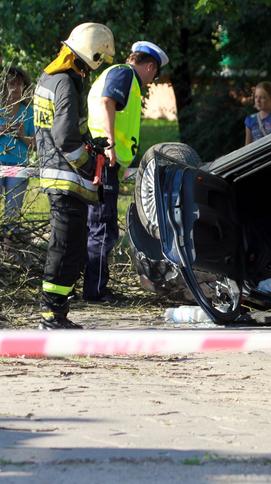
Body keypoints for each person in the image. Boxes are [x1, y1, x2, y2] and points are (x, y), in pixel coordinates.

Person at [33, 23, 115, 329]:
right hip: (65, 178)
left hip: (55, 173)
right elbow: (65, 137)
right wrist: (87, 161)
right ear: (88, 56)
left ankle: (56, 313)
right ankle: (50, 314)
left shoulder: (49, 77)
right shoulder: (65, 83)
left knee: (71, 247)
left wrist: (88, 141)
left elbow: (61, 128)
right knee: (66, 247)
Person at [84, 41, 168, 303]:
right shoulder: (125, 74)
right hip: (104, 159)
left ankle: (95, 286)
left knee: (100, 224)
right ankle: (96, 291)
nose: (152, 80)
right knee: (103, 226)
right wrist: (109, 143)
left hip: (106, 160)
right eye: (154, 74)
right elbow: (108, 101)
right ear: (150, 66)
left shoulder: (119, 74)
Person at [0, 67, 34, 232]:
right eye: (11, 84)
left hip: (18, 167)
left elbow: (35, 144)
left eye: (20, 84)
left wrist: (21, 135)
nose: (15, 88)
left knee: (12, 212)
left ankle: (10, 247)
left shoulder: (29, 112)